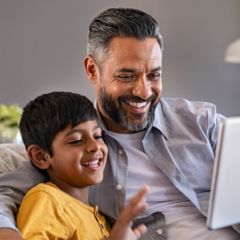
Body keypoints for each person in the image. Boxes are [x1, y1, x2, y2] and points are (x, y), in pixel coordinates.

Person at [0, 7, 240, 240]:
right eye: (127, 76)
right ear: (93, 70)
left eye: (154, 75)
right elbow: (5, 196)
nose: (144, 91)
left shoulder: (200, 122)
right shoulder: (80, 153)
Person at [16, 91, 148, 240]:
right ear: (40, 156)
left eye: (98, 136)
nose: (95, 146)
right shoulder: (47, 200)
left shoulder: (101, 217)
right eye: (77, 140)